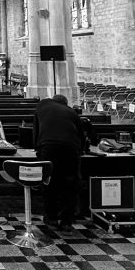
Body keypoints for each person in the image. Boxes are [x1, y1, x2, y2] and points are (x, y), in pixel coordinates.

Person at [33, 93, 83, 227]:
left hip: (49, 148)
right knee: (71, 183)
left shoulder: (43, 105)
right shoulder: (72, 112)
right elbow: (80, 133)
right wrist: (81, 150)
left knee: (49, 182)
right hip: (71, 148)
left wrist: (37, 149)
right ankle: (67, 220)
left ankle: (51, 217)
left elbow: (36, 130)